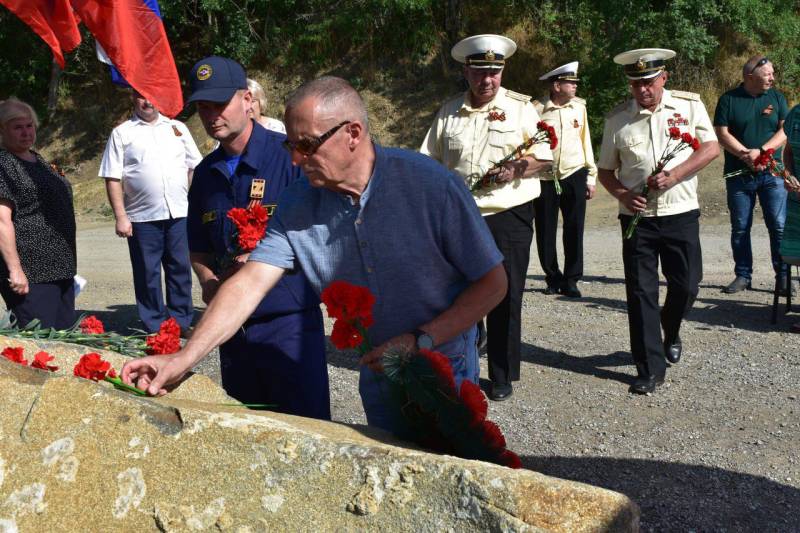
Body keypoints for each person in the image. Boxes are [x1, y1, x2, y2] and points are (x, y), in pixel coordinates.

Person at [122, 76, 507, 435]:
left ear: (352, 133)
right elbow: (250, 283)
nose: (294, 160)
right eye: (292, 145)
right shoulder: (297, 203)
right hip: (378, 370)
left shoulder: (430, 187)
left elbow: (492, 282)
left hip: (443, 363)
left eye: (307, 145)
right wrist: (184, 358)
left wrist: (421, 339)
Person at [186, 56, 330, 420]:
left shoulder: (290, 157)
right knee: (248, 430)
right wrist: (208, 281)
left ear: (247, 100)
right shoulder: (205, 175)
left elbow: (322, 233)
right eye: (203, 107)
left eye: (220, 104)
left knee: (305, 429)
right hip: (234, 331)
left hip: (287, 324)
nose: (211, 115)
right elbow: (199, 244)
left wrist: (265, 260)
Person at [420, 34, 552, 401]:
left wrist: (518, 166)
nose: (487, 80)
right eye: (479, 72)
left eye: (494, 72)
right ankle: (468, 353)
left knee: (505, 294)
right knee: (461, 291)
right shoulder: (448, 112)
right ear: (466, 71)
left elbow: (544, 157)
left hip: (508, 215)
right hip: (460, 218)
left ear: (502, 70)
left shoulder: (522, 108)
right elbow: (428, 163)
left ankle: (503, 372)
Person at [597, 49, 719, 394]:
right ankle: (650, 368)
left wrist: (676, 174)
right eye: (636, 84)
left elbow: (710, 149)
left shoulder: (688, 106)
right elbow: (606, 171)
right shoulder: (617, 120)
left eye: (648, 82)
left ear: (663, 78)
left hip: (680, 211)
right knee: (640, 293)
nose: (642, 90)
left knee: (687, 285)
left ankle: (672, 326)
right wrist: (622, 194)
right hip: (638, 218)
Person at [99, 90, 202, 334]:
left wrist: (189, 198)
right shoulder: (122, 133)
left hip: (178, 214)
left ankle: (181, 322)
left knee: (180, 270)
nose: (148, 101)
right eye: (141, 96)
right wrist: (120, 216)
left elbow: (194, 165)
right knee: (148, 273)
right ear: (132, 99)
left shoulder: (177, 128)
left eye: (152, 95)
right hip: (142, 218)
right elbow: (112, 177)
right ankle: (154, 325)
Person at [713, 56, 790, 294]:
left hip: (772, 174)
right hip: (739, 175)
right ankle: (743, 275)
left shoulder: (776, 97)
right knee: (740, 227)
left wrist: (764, 152)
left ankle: (783, 277)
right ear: (750, 76)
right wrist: (746, 154)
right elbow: (722, 133)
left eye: (772, 74)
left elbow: (785, 129)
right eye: (768, 74)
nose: (772, 78)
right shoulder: (728, 99)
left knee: (778, 226)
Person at [0, 98, 77, 329]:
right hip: (31, 272)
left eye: (29, 126)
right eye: (17, 127)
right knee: (41, 342)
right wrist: (15, 270)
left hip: (60, 267)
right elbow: (2, 221)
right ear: (2, 130)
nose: (25, 132)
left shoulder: (38, 159)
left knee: (64, 338)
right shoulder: (4, 164)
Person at [533, 61, 598, 298]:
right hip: (545, 178)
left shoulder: (579, 108)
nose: (575, 87)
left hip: (574, 173)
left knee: (574, 228)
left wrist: (591, 176)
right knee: (545, 230)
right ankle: (552, 277)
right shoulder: (536, 109)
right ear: (557, 85)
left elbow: (585, 141)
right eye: (570, 83)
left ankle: (572, 279)